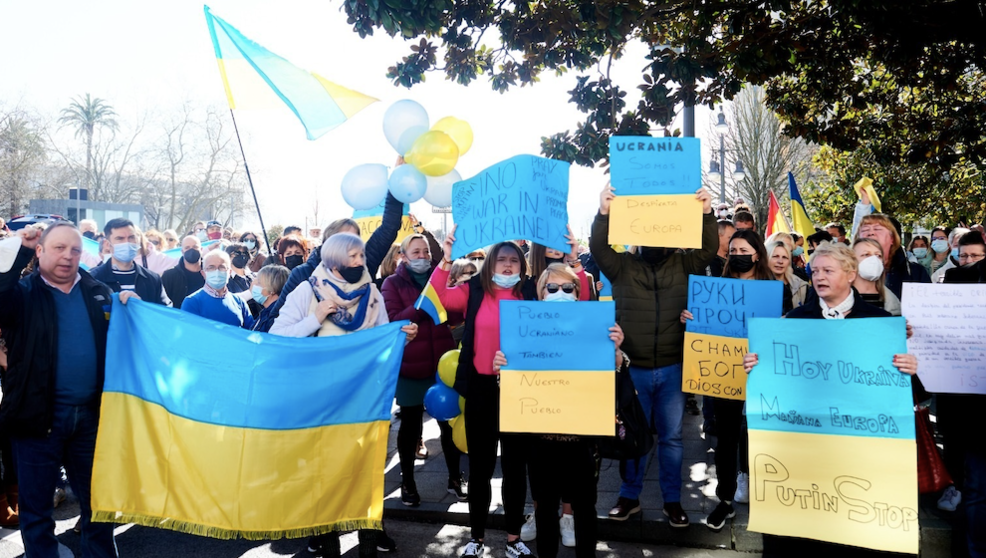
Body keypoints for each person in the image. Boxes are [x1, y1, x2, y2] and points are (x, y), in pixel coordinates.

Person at [742, 241, 918, 556]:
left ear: (850, 274)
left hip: (860, 457)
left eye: (828, 270)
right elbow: (773, 381)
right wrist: (756, 366)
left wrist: (910, 370)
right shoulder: (794, 322)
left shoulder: (878, 324)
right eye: (815, 271)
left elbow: (905, 397)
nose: (819, 277)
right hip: (805, 456)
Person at [430, 227, 585, 558]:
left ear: (523, 265)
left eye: (514, 260)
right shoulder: (474, 290)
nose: (507, 265)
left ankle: (513, 539)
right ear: (489, 264)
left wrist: (573, 258)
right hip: (481, 389)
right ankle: (477, 538)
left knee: (516, 470)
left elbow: (576, 302)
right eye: (501, 259)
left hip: (520, 391)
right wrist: (445, 258)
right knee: (481, 468)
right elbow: (440, 296)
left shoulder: (531, 291)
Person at [270, 233, 417, 558]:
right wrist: (315, 317)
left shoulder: (371, 294)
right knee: (324, 477)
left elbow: (381, 340)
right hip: (319, 403)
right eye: (350, 257)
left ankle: (368, 546)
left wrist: (401, 337)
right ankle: (328, 545)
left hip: (362, 401)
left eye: (359, 257)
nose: (357, 263)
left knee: (364, 474)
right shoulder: (306, 291)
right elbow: (276, 338)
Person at [590, 184, 717, 528]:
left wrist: (706, 213)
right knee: (632, 435)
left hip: (674, 367)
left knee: (673, 438)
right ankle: (629, 497)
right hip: (634, 370)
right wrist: (603, 213)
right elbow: (598, 248)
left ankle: (672, 501)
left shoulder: (684, 263)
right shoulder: (622, 267)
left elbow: (709, 248)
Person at [0, 223, 120, 557]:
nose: (68, 256)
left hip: (92, 421)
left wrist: (129, 305)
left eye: (75, 250)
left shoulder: (99, 294)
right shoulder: (22, 294)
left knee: (100, 507)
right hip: (37, 420)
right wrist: (19, 249)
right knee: (37, 513)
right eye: (58, 248)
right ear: (39, 251)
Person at [493, 263, 625, 558]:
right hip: (541, 442)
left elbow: (616, 392)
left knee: (586, 509)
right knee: (545, 510)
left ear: (578, 293)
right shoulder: (524, 333)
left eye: (568, 288)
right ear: (541, 294)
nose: (560, 293)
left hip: (582, 442)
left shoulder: (595, 330)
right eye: (552, 288)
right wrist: (504, 370)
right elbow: (516, 391)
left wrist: (615, 357)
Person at [681, 230, 773, 531]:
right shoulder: (716, 288)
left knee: (761, 436)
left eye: (743, 249)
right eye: (733, 249)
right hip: (725, 375)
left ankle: (772, 494)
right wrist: (690, 319)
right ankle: (726, 499)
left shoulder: (773, 289)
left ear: (757, 253)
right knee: (726, 439)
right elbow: (705, 326)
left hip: (763, 375)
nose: (737, 254)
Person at [381, 234, 465, 508]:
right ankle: (407, 483)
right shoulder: (392, 283)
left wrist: (456, 292)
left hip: (441, 366)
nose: (422, 256)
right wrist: (421, 305)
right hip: (410, 367)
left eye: (426, 252)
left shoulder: (442, 278)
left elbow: (454, 316)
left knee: (447, 423)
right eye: (415, 252)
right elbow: (394, 319)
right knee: (410, 425)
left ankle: (455, 479)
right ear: (403, 256)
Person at [268, 193, 404, 326]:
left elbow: (389, 227)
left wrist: (395, 187)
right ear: (328, 244)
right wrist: (314, 320)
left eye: (355, 240)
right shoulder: (303, 276)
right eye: (343, 239)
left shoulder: (364, 267)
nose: (350, 245)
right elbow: (276, 321)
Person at [89, 218, 171, 307]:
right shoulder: (92, 279)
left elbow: (165, 314)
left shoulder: (152, 279)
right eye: (120, 238)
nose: (127, 242)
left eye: (131, 237)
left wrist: (140, 306)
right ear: (108, 244)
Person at [856, 213, 931, 298]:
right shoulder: (847, 271)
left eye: (877, 229)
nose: (871, 233)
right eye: (865, 230)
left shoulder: (916, 273)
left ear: (892, 238)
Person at [180, 249, 253, 329]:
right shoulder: (192, 302)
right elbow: (189, 335)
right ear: (203, 274)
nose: (217, 272)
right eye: (211, 268)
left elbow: (251, 333)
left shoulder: (239, 302)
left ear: (229, 273)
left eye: (222, 267)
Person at [850, 238, 901, 315]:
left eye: (879, 255)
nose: (874, 259)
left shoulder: (891, 300)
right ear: (851, 260)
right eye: (866, 254)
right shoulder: (839, 296)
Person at [162, 235, 206, 309]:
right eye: (187, 248)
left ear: (201, 250)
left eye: (195, 247)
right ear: (182, 252)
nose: (191, 250)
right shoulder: (169, 276)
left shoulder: (211, 272)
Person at [766, 240, 807, 313]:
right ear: (766, 258)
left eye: (785, 257)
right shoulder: (756, 284)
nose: (780, 261)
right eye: (775, 256)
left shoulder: (802, 286)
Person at [250, 265, 289, 333]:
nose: (254, 285)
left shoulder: (276, 317)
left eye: (259, 283)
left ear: (272, 290)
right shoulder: (266, 312)